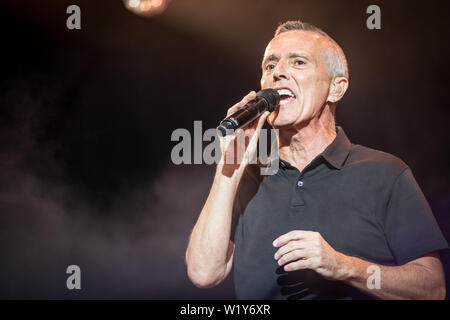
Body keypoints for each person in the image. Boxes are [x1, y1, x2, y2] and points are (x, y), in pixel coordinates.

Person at [185, 20, 448, 299]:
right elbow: (204, 274)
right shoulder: (245, 177)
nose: (278, 73)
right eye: (270, 66)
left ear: (336, 88)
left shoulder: (384, 172)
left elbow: (432, 289)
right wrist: (230, 167)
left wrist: (343, 267)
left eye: (298, 62)